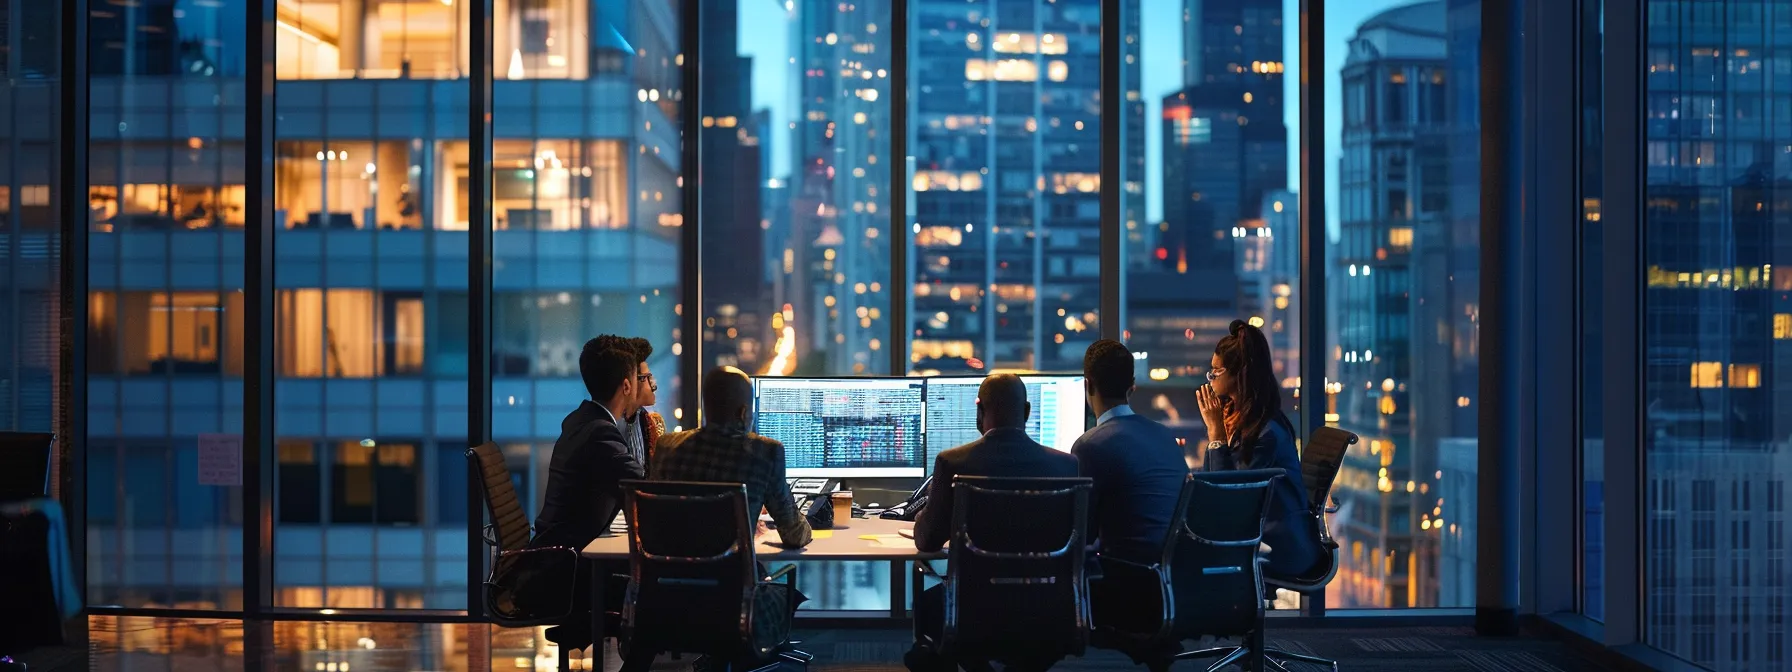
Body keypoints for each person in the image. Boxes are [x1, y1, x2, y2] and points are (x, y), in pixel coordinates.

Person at [906, 374, 1079, 672]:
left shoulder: (953, 463)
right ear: (1026, 412)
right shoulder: (1066, 466)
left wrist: (923, 513)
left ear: (979, 410)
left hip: (973, 612)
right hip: (1048, 609)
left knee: (930, 602)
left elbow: (927, 541)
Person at [649, 366, 811, 659]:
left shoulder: (668, 446)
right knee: (781, 588)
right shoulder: (766, 452)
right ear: (743, 412)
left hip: (668, 596)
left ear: (705, 407)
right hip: (735, 601)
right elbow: (793, 533)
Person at [514, 342, 641, 636]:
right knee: (656, 588)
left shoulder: (580, 420)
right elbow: (646, 491)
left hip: (550, 564)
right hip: (565, 577)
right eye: (639, 379)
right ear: (626, 385)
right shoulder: (601, 435)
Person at [1196, 320, 1320, 578]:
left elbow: (1231, 501)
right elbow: (1212, 485)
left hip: (1280, 547)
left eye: (1215, 372)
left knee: (1190, 562)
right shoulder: (1242, 420)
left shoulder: (1265, 434)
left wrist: (1216, 434)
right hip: (1261, 538)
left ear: (1238, 373)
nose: (1210, 379)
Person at [1070, 339, 1188, 566]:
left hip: (1124, 581)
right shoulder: (1164, 436)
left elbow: (1081, 532)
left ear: (1088, 385)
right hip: (1172, 577)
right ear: (1132, 387)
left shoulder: (1090, 445)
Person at [590, 335, 666, 471]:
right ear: (631, 381)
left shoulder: (649, 421)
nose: (653, 383)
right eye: (648, 377)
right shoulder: (605, 427)